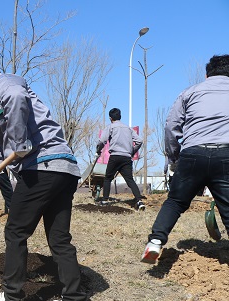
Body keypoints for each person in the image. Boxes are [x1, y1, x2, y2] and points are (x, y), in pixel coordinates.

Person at [0, 53, 86, 301]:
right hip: (64, 169)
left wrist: (18, 142)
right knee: (59, 239)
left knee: (15, 232)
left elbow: (16, 117)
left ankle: (12, 300)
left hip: (41, 167)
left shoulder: (6, 84)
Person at [141, 54, 229, 264]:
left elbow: (171, 127)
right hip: (226, 154)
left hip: (192, 154)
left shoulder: (190, 92)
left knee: (175, 202)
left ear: (207, 74)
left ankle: (155, 242)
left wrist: (174, 156)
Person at [96, 108, 145, 210]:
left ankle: (105, 200)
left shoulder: (111, 127)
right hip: (126, 158)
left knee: (108, 178)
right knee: (130, 180)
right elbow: (139, 141)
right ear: (120, 116)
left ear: (110, 118)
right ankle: (139, 201)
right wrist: (132, 151)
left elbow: (102, 141)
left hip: (115, 156)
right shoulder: (128, 128)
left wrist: (98, 150)